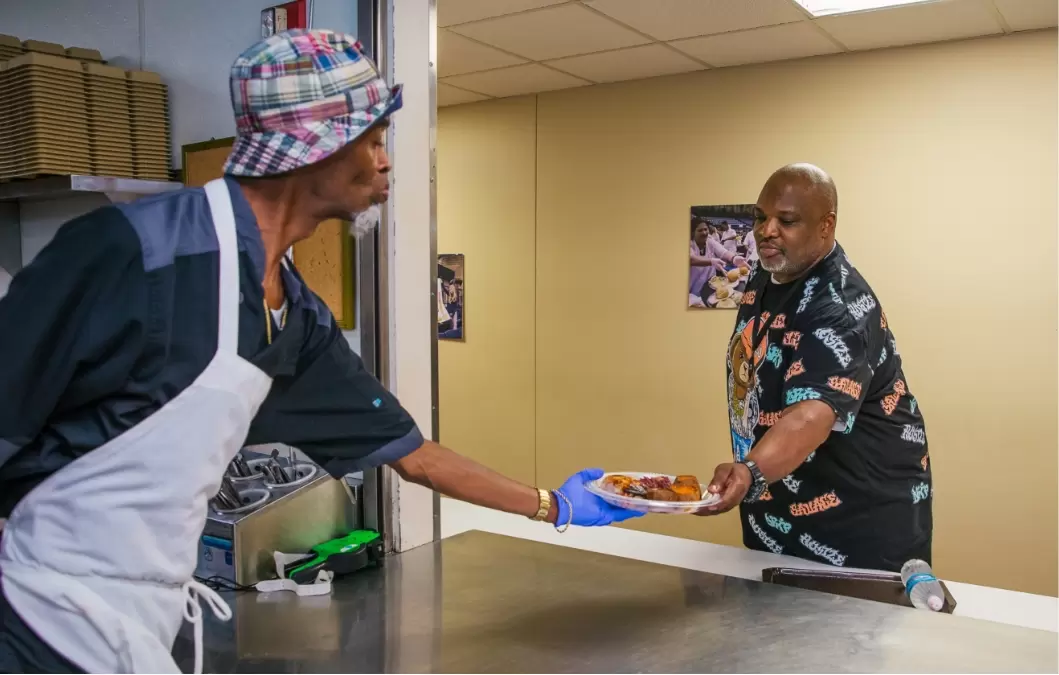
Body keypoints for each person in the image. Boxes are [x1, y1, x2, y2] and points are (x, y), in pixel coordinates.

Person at [0, 30, 641, 674]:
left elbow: (413, 455)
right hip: (37, 611)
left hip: (147, 620)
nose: (386, 162)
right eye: (373, 141)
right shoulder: (131, 253)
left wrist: (553, 506)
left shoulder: (295, 315)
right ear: (314, 151)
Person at [699, 163, 931, 572]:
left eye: (786, 220)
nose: (765, 230)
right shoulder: (767, 272)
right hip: (775, 514)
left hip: (853, 531)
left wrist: (750, 471)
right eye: (760, 217)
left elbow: (811, 415)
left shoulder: (839, 308)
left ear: (826, 226)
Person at [689, 219, 746, 306]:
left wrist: (734, 258)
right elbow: (691, 259)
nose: (704, 232)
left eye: (705, 229)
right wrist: (711, 261)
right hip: (692, 290)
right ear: (693, 232)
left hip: (711, 286)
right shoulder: (689, 243)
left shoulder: (710, 241)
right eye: (700, 230)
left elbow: (723, 252)